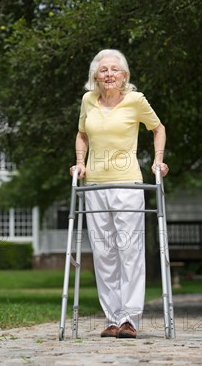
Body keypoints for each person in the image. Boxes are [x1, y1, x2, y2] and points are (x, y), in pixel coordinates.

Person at [70, 49, 169, 339]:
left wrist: (158, 160)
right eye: (103, 70)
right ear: (95, 76)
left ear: (124, 75)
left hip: (128, 184)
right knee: (103, 253)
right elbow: (82, 134)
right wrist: (79, 162)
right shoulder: (88, 100)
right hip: (96, 186)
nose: (109, 74)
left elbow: (158, 128)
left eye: (115, 69)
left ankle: (130, 320)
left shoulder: (136, 101)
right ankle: (112, 319)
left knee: (130, 250)